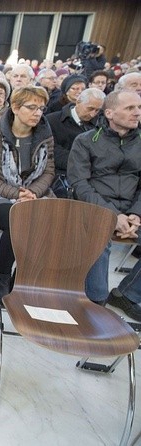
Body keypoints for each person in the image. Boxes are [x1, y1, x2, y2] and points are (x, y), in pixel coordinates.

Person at [0, 86, 55, 303]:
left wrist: (33, 192)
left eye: (41, 108)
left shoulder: (45, 136)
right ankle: (2, 278)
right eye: (31, 107)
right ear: (16, 108)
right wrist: (16, 193)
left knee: (51, 220)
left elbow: (48, 171)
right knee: (18, 220)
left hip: (35, 193)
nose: (38, 113)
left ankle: (22, 276)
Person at [68, 90, 141, 308]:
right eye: (130, 108)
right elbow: (79, 184)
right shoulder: (86, 141)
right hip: (95, 207)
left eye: (139, 108)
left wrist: (136, 214)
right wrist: (113, 215)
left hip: (131, 209)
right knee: (99, 238)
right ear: (109, 112)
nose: (137, 113)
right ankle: (95, 302)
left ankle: (127, 294)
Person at [45, 87, 105, 197]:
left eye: (97, 110)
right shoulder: (52, 120)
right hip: (61, 177)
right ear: (78, 102)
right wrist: (82, 161)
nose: (93, 114)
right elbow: (51, 150)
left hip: (93, 176)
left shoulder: (101, 124)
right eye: (90, 109)